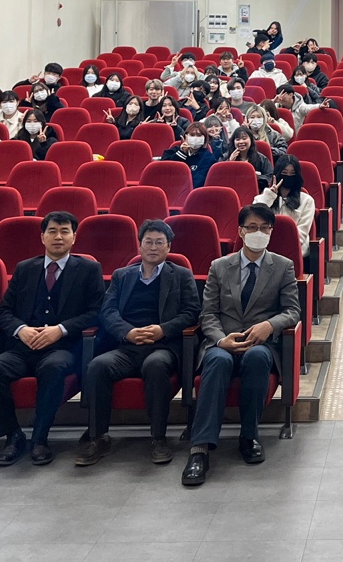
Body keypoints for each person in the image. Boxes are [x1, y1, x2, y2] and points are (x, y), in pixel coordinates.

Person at [183, 203, 301, 487]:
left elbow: (292, 311)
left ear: (271, 232)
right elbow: (208, 313)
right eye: (252, 227)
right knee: (217, 360)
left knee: (257, 358)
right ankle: (200, 449)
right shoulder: (219, 267)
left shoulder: (283, 266)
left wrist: (269, 325)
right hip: (223, 341)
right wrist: (220, 339)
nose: (258, 232)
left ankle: (249, 436)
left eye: (265, 228)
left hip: (260, 343)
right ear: (240, 231)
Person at [0, 211, 104, 465]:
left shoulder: (89, 269)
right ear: (42, 237)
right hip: (23, 346)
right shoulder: (25, 268)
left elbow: (96, 312)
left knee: (53, 368)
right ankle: (13, 435)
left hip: (62, 346)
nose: (58, 237)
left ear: (74, 237)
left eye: (65, 231)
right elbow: (4, 311)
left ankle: (39, 438)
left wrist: (61, 329)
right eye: (52, 231)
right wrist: (20, 329)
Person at [77, 219, 201, 467]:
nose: (153, 247)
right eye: (148, 242)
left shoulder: (181, 275)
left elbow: (191, 312)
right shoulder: (122, 275)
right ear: (139, 245)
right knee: (98, 366)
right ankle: (97, 436)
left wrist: (162, 330)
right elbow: (108, 311)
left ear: (168, 247)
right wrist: (128, 332)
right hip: (127, 346)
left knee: (155, 366)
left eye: (159, 243)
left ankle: (158, 438)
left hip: (163, 346)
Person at [256, 153, 316, 257]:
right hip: (265, 248)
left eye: (292, 174)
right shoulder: (263, 197)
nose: (288, 177)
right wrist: (269, 196)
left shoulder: (307, 201)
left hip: (293, 250)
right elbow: (254, 216)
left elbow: (301, 234)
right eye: (284, 173)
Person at [161, 117, 227, 188]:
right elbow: (164, 171)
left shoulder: (208, 158)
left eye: (199, 135)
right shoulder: (172, 151)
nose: (195, 138)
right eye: (192, 135)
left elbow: (198, 181)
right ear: (186, 136)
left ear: (204, 138)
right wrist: (182, 153)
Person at [226, 125, 275, 190]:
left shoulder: (261, 158)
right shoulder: (226, 156)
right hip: (233, 190)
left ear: (251, 140)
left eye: (244, 138)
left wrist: (253, 176)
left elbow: (269, 176)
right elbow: (220, 177)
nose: (241, 142)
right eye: (238, 139)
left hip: (256, 191)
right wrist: (229, 162)